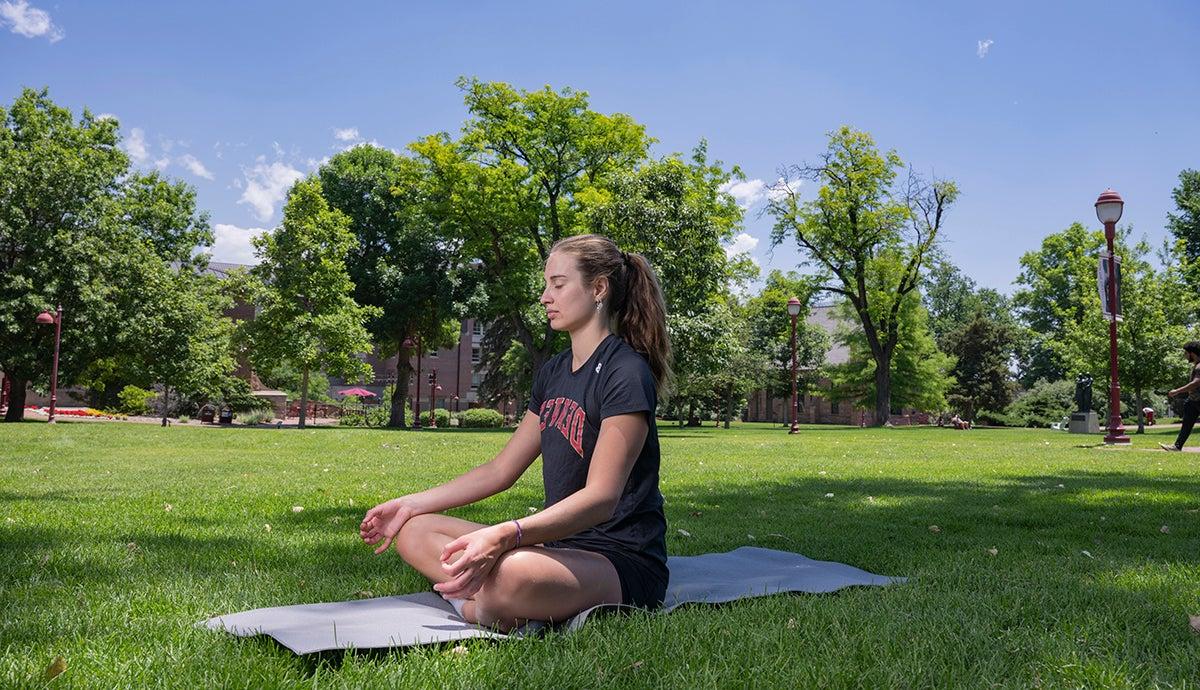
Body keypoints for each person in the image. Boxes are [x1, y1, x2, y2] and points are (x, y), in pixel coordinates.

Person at [359, 234, 671, 631]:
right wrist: (409, 503)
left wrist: (508, 535)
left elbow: (601, 499)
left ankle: (482, 604)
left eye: (558, 284)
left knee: (511, 574)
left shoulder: (625, 372)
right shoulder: (554, 372)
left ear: (598, 288)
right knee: (416, 532)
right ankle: (491, 602)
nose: (545, 297)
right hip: (558, 548)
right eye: (546, 285)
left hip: (620, 560)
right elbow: (500, 470)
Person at [1160, 341, 1200, 451]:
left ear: (1192, 353)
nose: (1185, 355)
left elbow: (1196, 383)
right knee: (1186, 425)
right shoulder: (1196, 366)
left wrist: (1177, 391)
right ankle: (1177, 447)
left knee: (1187, 423)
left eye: (1186, 353)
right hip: (1193, 401)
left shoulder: (1199, 367)